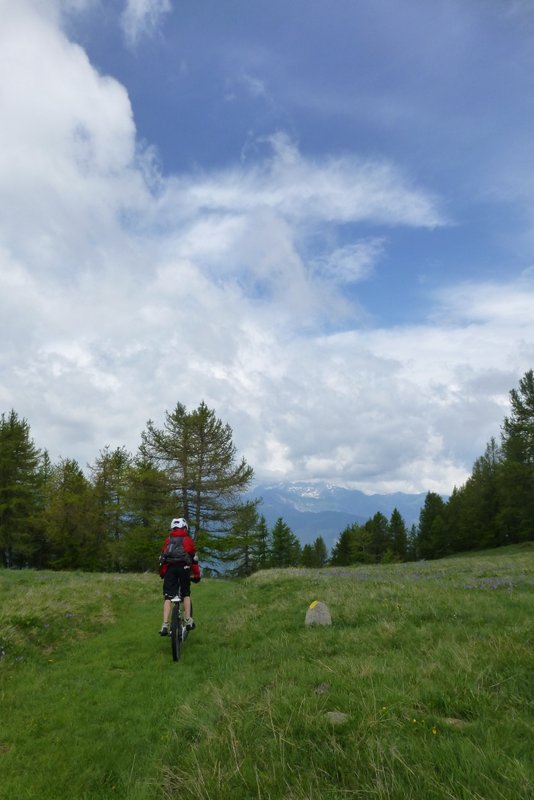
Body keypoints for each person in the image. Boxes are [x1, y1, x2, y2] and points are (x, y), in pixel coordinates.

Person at [158, 517, 197, 636]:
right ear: (185, 527)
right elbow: (194, 559)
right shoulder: (187, 540)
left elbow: (163, 559)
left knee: (168, 597)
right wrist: (196, 575)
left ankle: (165, 624)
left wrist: (163, 573)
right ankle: (188, 620)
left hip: (170, 570)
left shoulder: (168, 540)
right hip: (184, 569)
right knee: (185, 594)